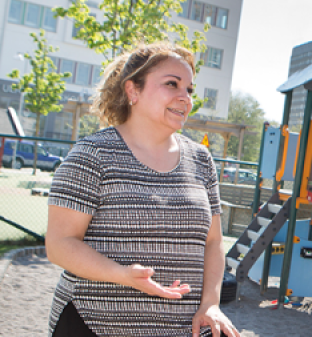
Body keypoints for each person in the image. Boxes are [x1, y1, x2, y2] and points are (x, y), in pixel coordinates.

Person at [45, 42, 240, 337]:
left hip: (183, 329)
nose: (184, 97)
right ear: (132, 91)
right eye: (172, 84)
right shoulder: (92, 154)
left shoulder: (201, 160)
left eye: (189, 89)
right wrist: (122, 275)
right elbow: (60, 244)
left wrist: (211, 304)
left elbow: (213, 243)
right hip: (95, 325)